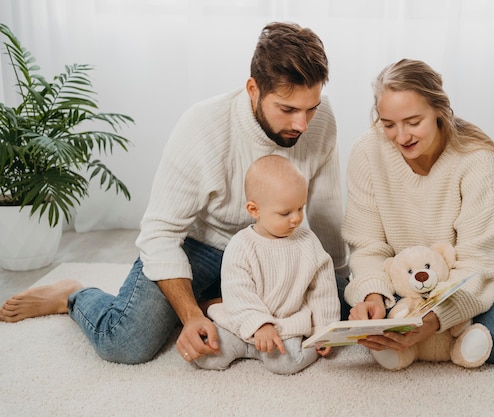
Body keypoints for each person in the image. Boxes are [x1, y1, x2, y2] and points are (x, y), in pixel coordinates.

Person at [0, 22, 350, 365]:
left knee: (345, 308)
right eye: (288, 110)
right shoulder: (204, 127)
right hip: (201, 246)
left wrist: (338, 280)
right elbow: (160, 234)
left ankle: (218, 301)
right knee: (125, 342)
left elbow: (326, 206)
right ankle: (73, 295)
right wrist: (189, 314)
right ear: (253, 89)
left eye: (311, 108)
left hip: (276, 243)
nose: (302, 124)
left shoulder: (320, 119)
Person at [343, 59, 494, 364]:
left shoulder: (476, 158)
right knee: (380, 334)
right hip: (405, 273)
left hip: (469, 270)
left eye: (413, 122)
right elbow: (367, 245)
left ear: (439, 111)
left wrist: (433, 320)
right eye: (388, 124)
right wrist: (373, 297)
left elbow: (476, 261)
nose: (401, 136)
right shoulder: (366, 152)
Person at [195, 155, 339, 374]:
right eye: (285, 213)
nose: (296, 218)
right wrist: (259, 324)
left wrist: (323, 330)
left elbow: (322, 290)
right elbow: (238, 291)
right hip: (244, 324)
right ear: (254, 210)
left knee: (288, 363)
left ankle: (270, 351)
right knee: (208, 356)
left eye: (300, 208)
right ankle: (248, 345)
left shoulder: (308, 242)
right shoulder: (241, 245)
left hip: (286, 325)